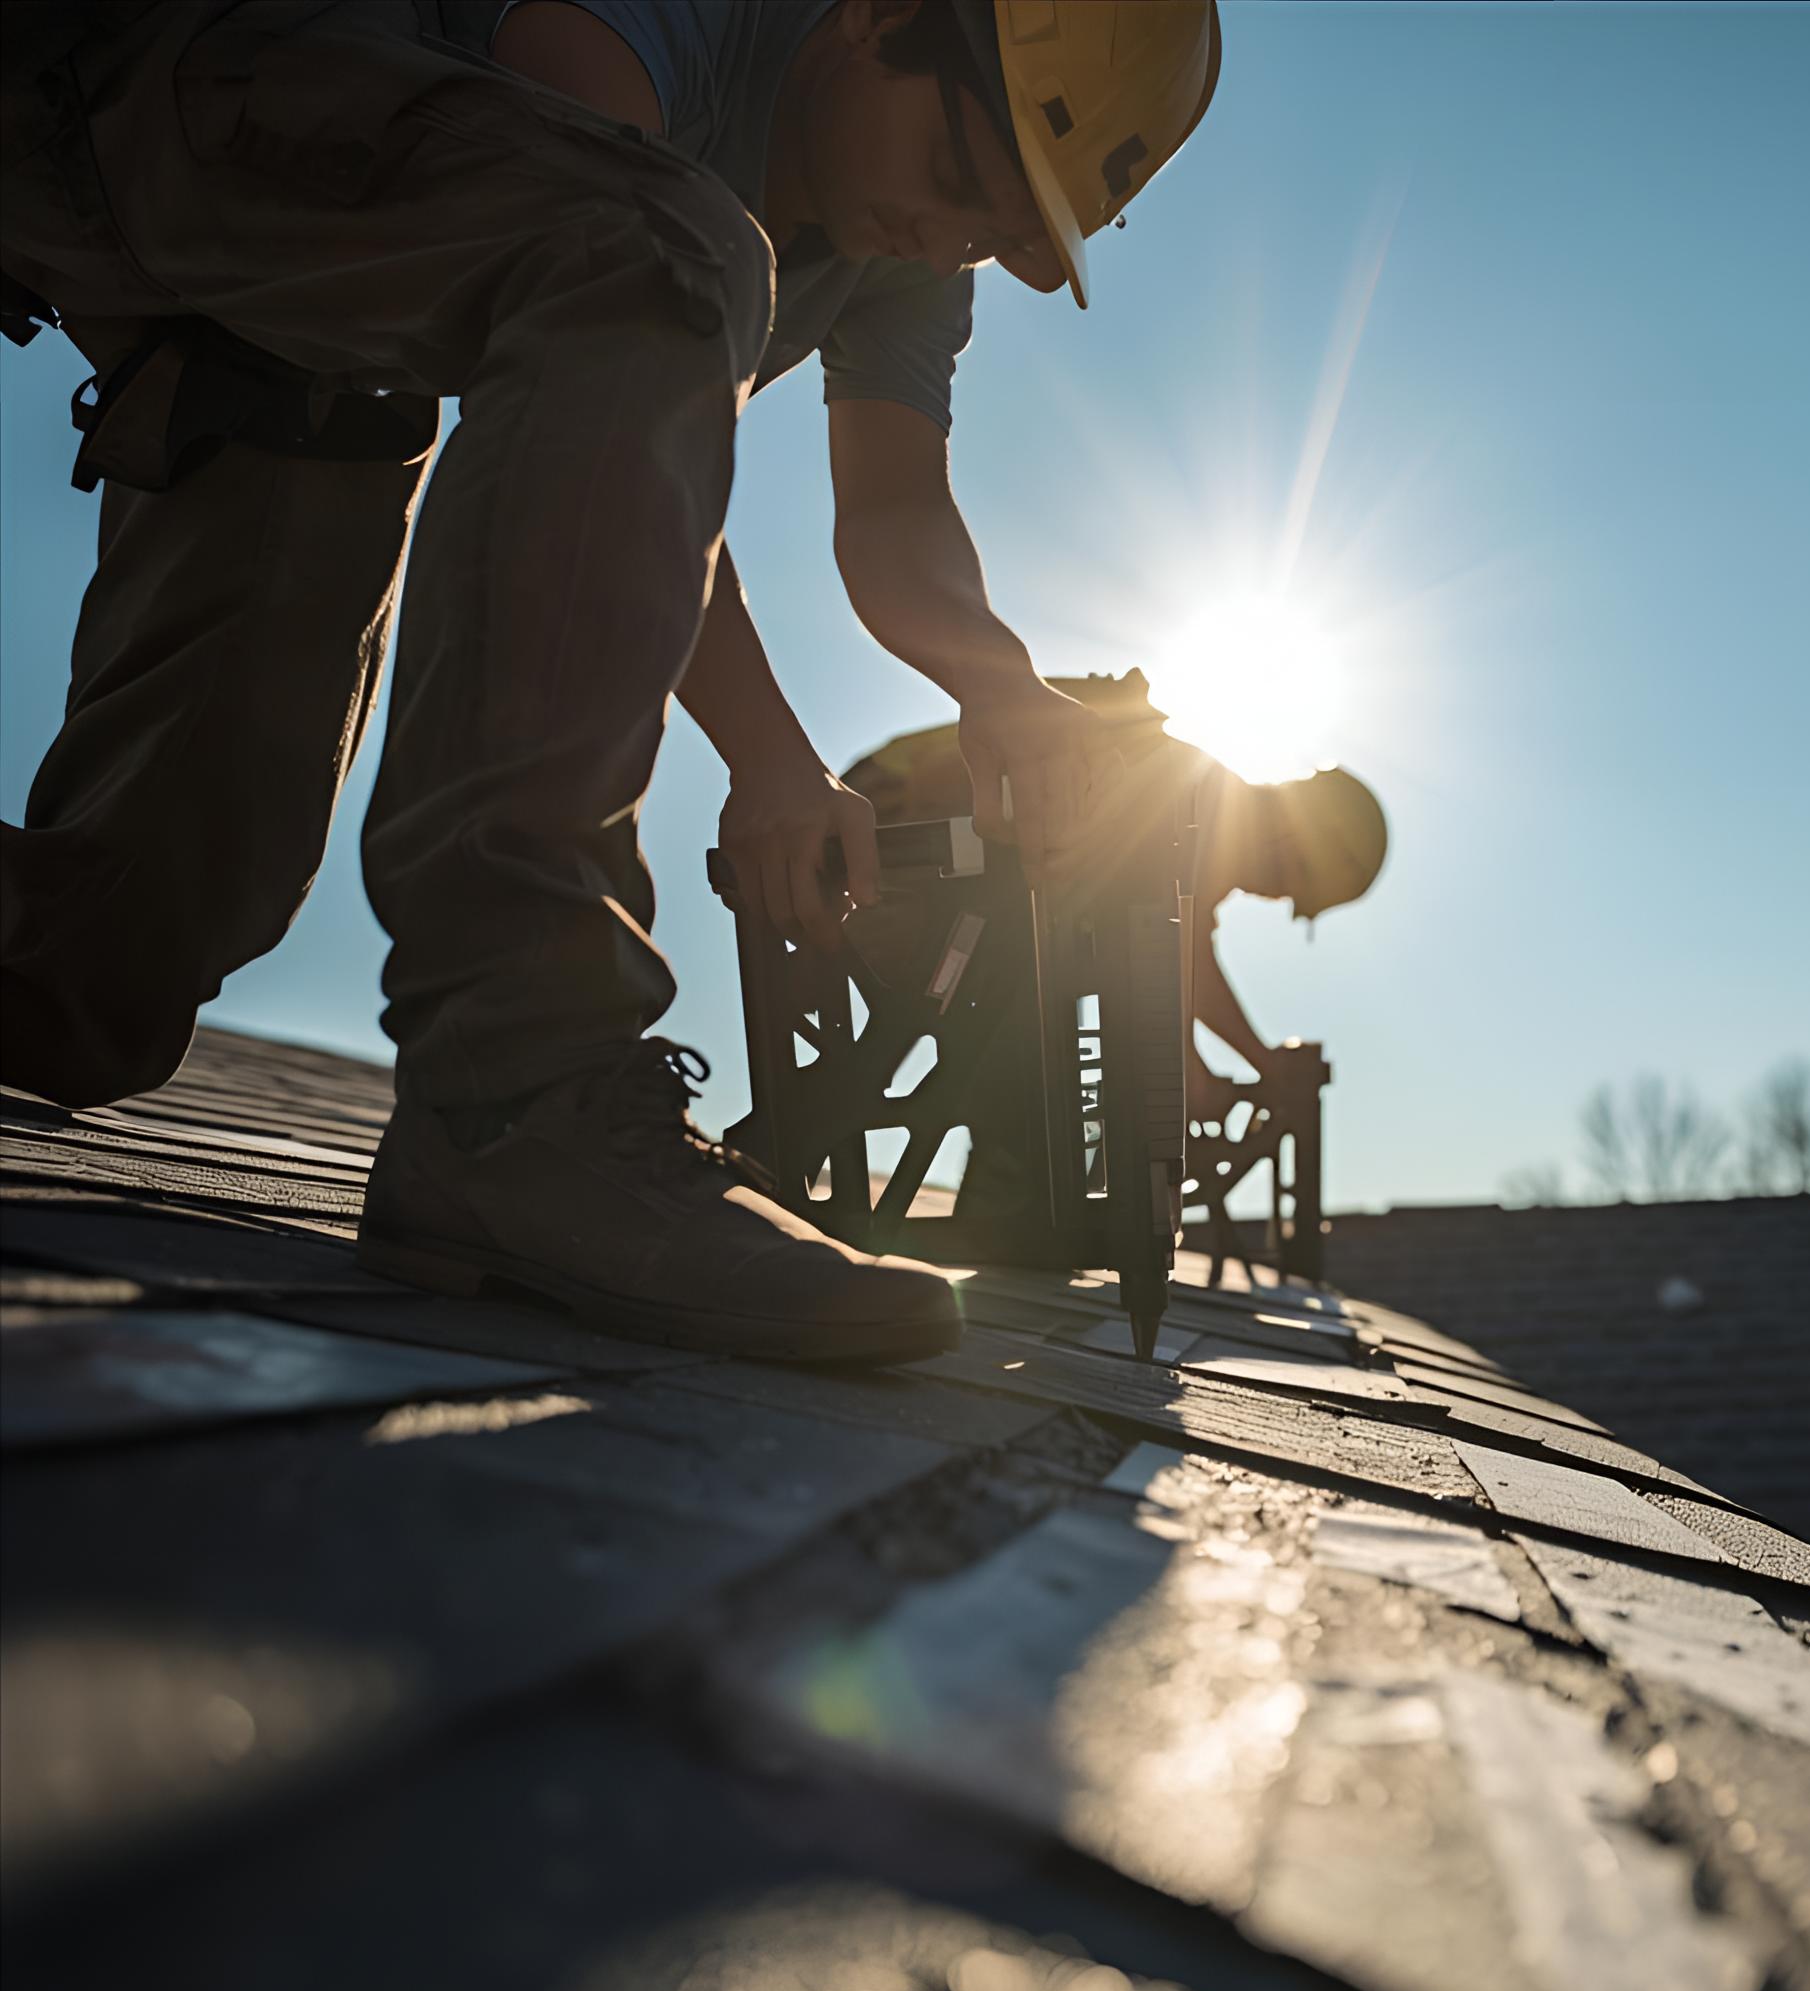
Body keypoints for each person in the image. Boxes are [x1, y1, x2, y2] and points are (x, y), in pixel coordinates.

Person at [0, 0, 1220, 1365]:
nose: (948, 243)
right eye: (951, 182)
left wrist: (1004, 689)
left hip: (312, 347)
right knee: (662, 241)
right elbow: (610, 297)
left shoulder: (902, 258)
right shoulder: (688, 29)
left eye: (995, 236)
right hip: (163, 76)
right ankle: (519, 1093)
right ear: (876, 22)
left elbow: (892, 524)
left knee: (99, 975)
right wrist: (766, 754)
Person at [842, 666, 1387, 1126]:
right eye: (1289, 888)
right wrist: (1213, 1074)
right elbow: (1180, 959)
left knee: (1012, 1003)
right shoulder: (1201, 799)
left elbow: (1182, 960)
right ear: (1297, 841)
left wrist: (1248, 1065)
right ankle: (1003, 1204)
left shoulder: (1203, 806)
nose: (1271, 896)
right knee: (1021, 1026)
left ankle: (985, 1191)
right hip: (890, 823)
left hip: (909, 841)